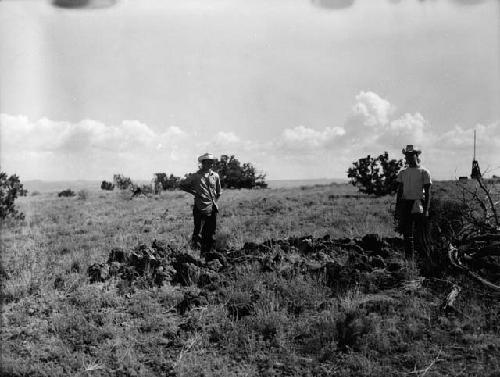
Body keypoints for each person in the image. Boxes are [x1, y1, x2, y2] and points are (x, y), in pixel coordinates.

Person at [179, 153, 221, 256]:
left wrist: (214, 202)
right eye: (207, 162)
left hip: (212, 208)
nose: (210, 164)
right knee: (198, 231)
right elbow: (182, 185)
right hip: (199, 206)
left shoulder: (215, 176)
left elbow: (218, 192)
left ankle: (210, 253)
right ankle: (196, 254)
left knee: (211, 231)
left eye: (211, 162)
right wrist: (194, 192)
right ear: (202, 163)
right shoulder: (195, 176)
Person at [395, 145, 432, 261]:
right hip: (406, 205)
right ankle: (409, 261)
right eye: (407, 155)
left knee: (421, 235)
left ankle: (426, 260)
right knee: (407, 235)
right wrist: (398, 210)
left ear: (417, 156)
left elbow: (428, 193)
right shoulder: (403, 173)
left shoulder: (424, 172)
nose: (409, 157)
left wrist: (426, 210)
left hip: (419, 204)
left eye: (412, 155)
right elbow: (399, 193)